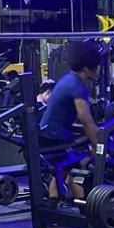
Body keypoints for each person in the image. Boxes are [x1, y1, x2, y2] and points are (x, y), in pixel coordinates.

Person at [38, 41, 101, 198]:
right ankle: (84, 206)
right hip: (54, 139)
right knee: (78, 164)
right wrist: (98, 146)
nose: (99, 69)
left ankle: (52, 203)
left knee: (64, 168)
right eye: (97, 66)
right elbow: (86, 120)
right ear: (86, 68)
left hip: (47, 136)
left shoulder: (67, 79)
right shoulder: (77, 87)